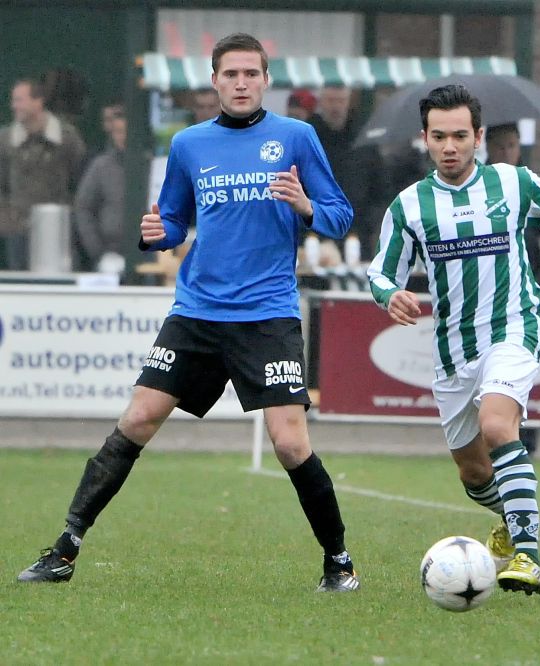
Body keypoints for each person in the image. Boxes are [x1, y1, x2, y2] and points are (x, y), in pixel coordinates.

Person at [17, 33, 361, 593]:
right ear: (215, 82)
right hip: (198, 310)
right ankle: (65, 548)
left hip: (266, 314)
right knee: (136, 419)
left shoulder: (296, 137)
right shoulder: (189, 145)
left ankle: (339, 562)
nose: (242, 82)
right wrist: (159, 233)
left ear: (266, 80)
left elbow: (339, 217)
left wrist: (304, 205)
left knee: (291, 443)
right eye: (231, 74)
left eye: (252, 73)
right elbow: (175, 220)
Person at [367, 84, 540, 596]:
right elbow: (381, 271)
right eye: (440, 136)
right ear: (425, 138)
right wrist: (389, 295)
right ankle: (514, 517)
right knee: (473, 473)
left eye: (461, 136)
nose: (451, 146)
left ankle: (528, 558)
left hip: (514, 326)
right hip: (451, 348)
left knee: (498, 424)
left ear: (480, 137)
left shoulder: (513, 183)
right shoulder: (410, 205)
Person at [484, 122, 540, 456]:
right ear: (486, 146)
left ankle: (522, 440)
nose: (507, 152)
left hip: (522, 303)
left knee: (516, 371)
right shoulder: (474, 188)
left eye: (512, 145)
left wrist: (539, 282)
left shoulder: (527, 188)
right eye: (501, 145)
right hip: (484, 300)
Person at [0, 78, 86, 270]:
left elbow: (80, 180)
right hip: (17, 231)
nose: (14, 106)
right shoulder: (5, 141)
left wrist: (69, 215)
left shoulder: (67, 138)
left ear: (38, 102)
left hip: (57, 228)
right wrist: (7, 221)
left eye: (19, 100)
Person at [310, 84, 390, 261]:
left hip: (358, 232)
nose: (336, 107)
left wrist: (371, 224)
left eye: (340, 101)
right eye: (330, 100)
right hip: (316, 232)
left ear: (348, 102)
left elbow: (380, 187)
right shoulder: (308, 138)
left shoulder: (363, 140)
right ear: (321, 102)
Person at [73, 103, 128, 272]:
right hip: (110, 252)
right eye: (117, 133)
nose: (122, 137)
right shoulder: (101, 166)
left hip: (153, 249)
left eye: (125, 132)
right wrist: (98, 251)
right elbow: (83, 208)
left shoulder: (156, 164)